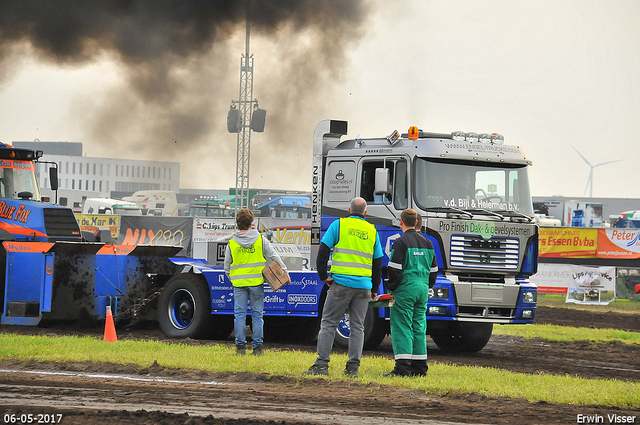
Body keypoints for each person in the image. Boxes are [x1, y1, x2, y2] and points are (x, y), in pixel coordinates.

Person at [303, 197, 383, 378]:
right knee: (358, 327)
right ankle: (353, 368)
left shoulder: (338, 225)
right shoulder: (372, 230)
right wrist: (375, 288)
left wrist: (323, 276)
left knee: (329, 322)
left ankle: (321, 365)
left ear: (349, 210)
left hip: (341, 284)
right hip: (363, 287)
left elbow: (323, 251)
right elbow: (378, 262)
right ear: (365, 212)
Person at [224, 208, 289, 356]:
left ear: (237, 223)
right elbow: (274, 256)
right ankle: (257, 349)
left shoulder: (232, 243)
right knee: (257, 315)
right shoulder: (261, 240)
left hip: (239, 285)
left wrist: (234, 279)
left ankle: (240, 349)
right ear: (252, 223)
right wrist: (285, 272)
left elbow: (226, 268)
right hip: (256, 284)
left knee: (239, 315)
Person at [385, 209, 437, 377]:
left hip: (405, 288)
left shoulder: (400, 242)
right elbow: (434, 271)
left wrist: (392, 288)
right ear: (416, 222)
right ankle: (420, 369)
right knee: (419, 327)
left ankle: (402, 369)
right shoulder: (429, 243)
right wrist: (426, 285)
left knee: (402, 326)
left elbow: (394, 269)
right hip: (422, 288)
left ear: (401, 222)